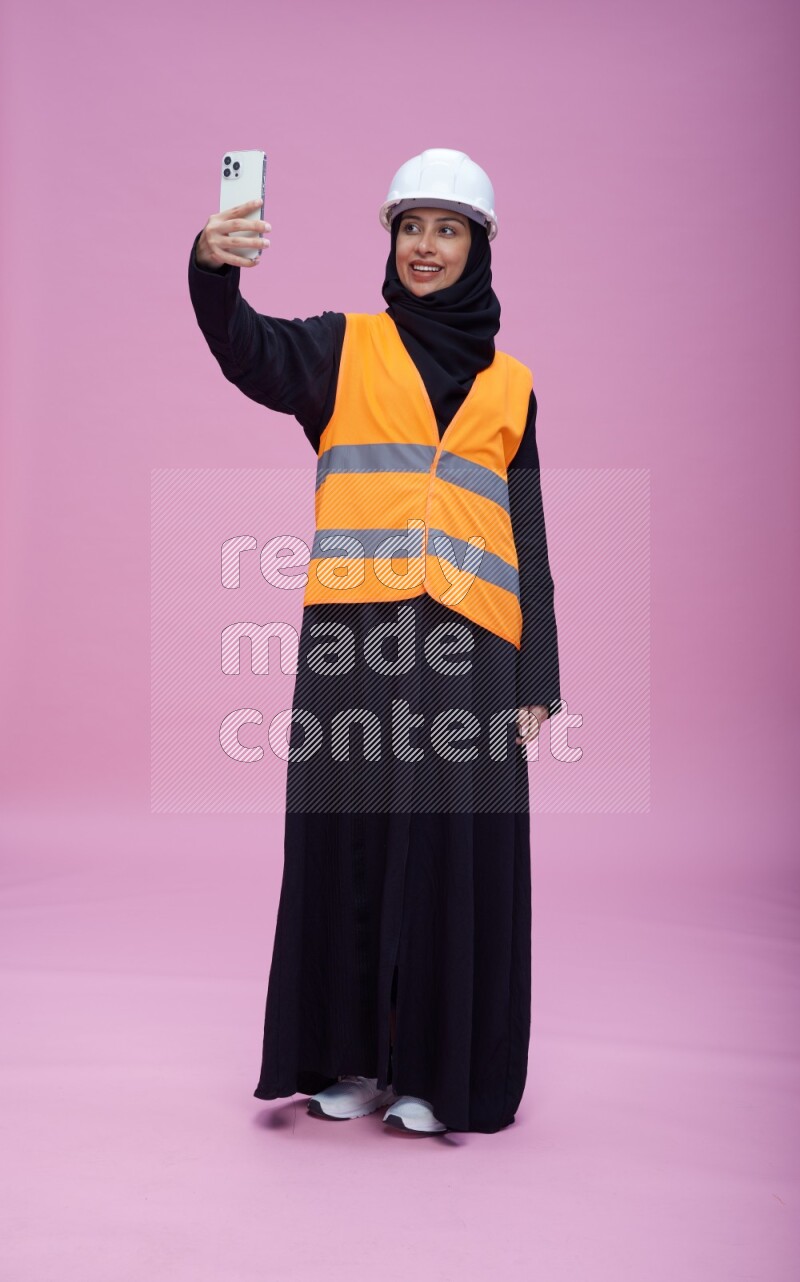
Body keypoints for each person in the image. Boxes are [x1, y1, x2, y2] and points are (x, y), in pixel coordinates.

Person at [188, 148, 561, 1135]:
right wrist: (211, 267)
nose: (424, 247)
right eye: (409, 227)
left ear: (477, 246)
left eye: (446, 229)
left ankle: (440, 1074)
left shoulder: (513, 386)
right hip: (354, 641)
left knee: (454, 853)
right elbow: (243, 348)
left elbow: (525, 534)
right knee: (347, 842)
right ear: (390, 242)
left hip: (474, 647)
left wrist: (538, 675)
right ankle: (346, 1059)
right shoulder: (339, 348)